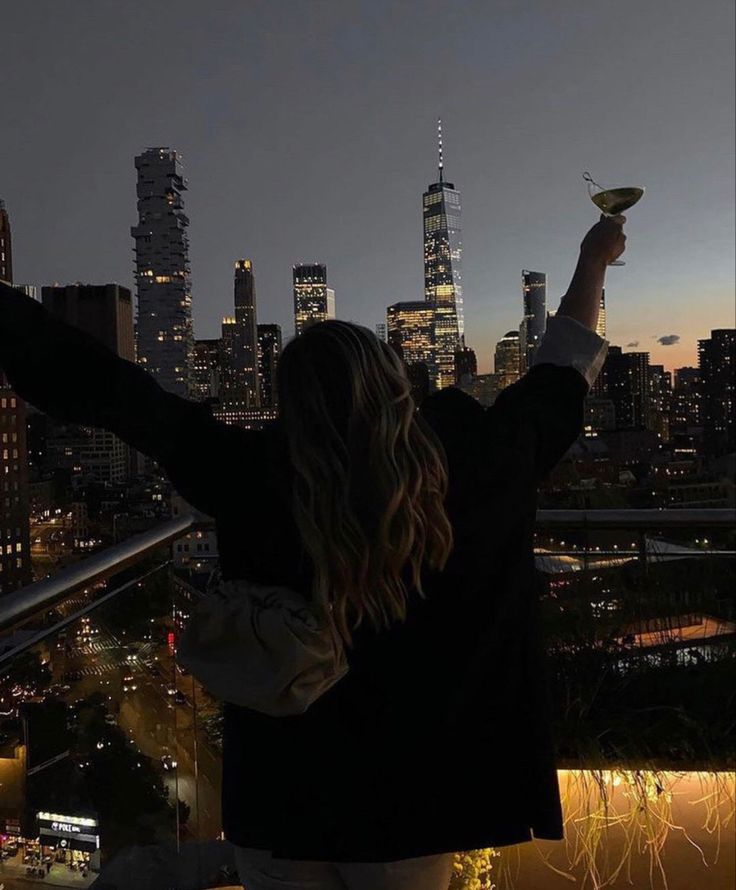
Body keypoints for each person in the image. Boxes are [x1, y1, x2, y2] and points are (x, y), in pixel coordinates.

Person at [0, 215, 624, 890]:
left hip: (281, 796)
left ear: (289, 403)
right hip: (418, 801)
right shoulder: (476, 462)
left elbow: (112, 392)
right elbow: (562, 371)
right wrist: (592, 259)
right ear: (395, 384)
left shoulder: (249, 472)